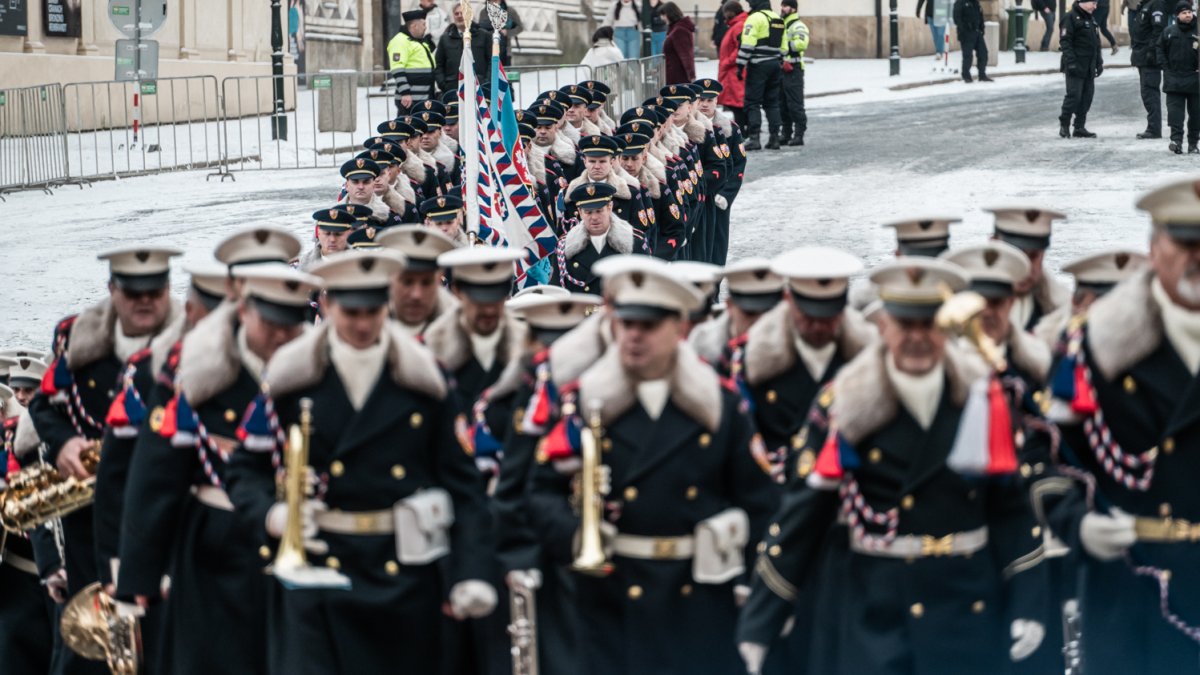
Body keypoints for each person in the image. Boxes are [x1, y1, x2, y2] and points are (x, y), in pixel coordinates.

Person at [737, 257, 1047, 675]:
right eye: (906, 324)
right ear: (884, 325)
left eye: (929, 324)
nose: (917, 337)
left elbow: (1010, 508)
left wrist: (1030, 600)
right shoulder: (844, 404)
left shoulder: (980, 399)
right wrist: (761, 622)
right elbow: (803, 517)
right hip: (877, 611)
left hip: (965, 609)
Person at [225, 249, 496, 674]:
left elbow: (463, 486)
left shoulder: (425, 380)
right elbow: (245, 471)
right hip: (320, 572)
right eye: (351, 311)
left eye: (373, 310)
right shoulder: (290, 381)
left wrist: (471, 570)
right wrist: (274, 514)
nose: (364, 324)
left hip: (405, 574)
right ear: (328, 306)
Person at [527, 260, 781, 675]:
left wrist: (755, 596)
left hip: (699, 597)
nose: (633, 335)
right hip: (611, 598)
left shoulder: (721, 405)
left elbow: (761, 503)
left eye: (648, 324)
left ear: (680, 327)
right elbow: (540, 492)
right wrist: (578, 535)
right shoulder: (583, 402)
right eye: (626, 323)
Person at [115, 265, 321, 675]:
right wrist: (137, 576)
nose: (281, 334)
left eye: (290, 321)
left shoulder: (315, 364)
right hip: (217, 540)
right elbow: (156, 473)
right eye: (270, 320)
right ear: (244, 310)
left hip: (306, 534)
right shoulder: (193, 368)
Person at [1043, 178, 1200, 673]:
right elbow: (1046, 456)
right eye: (1186, 243)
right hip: (1131, 596)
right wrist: (1077, 522)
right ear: (1155, 248)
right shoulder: (1094, 347)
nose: (1198, 256)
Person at [30, 245, 183, 675]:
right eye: (133, 292)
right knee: (92, 644)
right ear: (112, 290)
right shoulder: (81, 341)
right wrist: (61, 444)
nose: (145, 301)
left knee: (160, 634)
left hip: (162, 513)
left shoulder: (194, 347)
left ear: (169, 289)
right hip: (91, 521)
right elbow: (44, 403)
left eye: (154, 290)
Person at [1032, 249, 1149, 348]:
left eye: (1122, 301)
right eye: (1102, 301)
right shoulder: (1045, 347)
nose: (1114, 311)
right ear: (1076, 302)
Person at [987, 207, 1070, 332]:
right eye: (1017, 255)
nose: (1026, 268)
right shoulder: (965, 309)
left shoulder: (1063, 313)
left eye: (1033, 256)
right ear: (994, 245)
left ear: (1043, 255)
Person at [550, 183, 640, 295]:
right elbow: (556, 291)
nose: (594, 217)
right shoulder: (564, 246)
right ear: (580, 212)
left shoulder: (635, 241)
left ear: (609, 207)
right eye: (588, 212)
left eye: (599, 211)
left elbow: (643, 289)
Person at [376, 225, 461, 337]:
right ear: (390, 279)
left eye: (426, 283)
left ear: (440, 277)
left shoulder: (462, 331)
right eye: (407, 282)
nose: (416, 295)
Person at [737, 0, 785, 150]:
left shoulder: (754, 18)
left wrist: (740, 64)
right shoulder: (777, 18)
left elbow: (748, 43)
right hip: (775, 65)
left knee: (752, 102)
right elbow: (783, 47)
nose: (749, 5)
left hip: (758, 66)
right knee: (772, 103)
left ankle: (754, 138)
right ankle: (774, 137)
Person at [1158, 1, 1200, 154]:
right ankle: (1176, 141)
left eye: (1189, 12)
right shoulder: (1169, 32)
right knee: (1175, 115)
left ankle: (1193, 143)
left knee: (1196, 115)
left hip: (1195, 80)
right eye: (1184, 13)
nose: (1188, 15)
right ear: (1177, 15)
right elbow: (1160, 50)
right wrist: (1166, 69)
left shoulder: (1198, 31)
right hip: (1174, 80)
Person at [1059, 0, 1103, 138]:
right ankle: (1064, 125)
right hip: (1075, 65)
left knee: (1087, 98)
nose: (1095, 7)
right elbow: (1065, 42)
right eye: (1093, 3)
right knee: (1074, 96)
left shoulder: (1091, 19)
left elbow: (1096, 43)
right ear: (1083, 2)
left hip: (1089, 66)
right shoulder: (1070, 17)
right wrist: (1071, 62)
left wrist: (1099, 62)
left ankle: (1079, 127)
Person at [387, 10, 436, 116]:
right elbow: (397, 68)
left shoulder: (417, 41)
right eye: (423, 24)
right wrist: (405, 93)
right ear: (414, 26)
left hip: (424, 96)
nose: (425, 27)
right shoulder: (400, 41)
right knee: (409, 129)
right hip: (410, 99)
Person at [1130, 0, 1167, 140]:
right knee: (1147, 93)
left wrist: (1152, 51)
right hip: (1142, 56)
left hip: (1149, 58)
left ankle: (1154, 129)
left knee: (1150, 92)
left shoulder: (1156, 4)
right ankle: (1153, 127)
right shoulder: (1145, 5)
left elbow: (1158, 30)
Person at [778, 0, 808, 147]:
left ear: (793, 8)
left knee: (795, 104)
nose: (782, 8)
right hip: (780, 69)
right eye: (782, 5)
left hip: (793, 68)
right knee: (781, 103)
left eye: (785, 5)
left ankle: (799, 134)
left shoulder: (798, 25)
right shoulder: (780, 24)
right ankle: (786, 133)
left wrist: (783, 47)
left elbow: (802, 43)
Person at [718, 1, 749, 129]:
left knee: (738, 105)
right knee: (736, 105)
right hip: (731, 71)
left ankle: (743, 131)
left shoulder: (738, 26)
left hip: (734, 72)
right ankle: (743, 130)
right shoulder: (735, 25)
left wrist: (727, 61)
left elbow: (739, 48)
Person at [434, 4, 475, 94]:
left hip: (478, 90)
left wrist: (484, 81)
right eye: (456, 14)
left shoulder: (483, 36)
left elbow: (490, 63)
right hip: (452, 91)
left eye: (462, 13)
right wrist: (444, 85)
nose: (459, 16)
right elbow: (438, 65)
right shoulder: (445, 39)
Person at [953, 0, 992, 83]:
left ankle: (982, 74)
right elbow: (956, 17)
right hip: (966, 33)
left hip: (977, 32)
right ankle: (966, 75)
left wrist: (982, 27)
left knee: (983, 53)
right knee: (967, 56)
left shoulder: (976, 2)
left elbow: (980, 15)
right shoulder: (960, 2)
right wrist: (963, 29)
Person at [661, 2, 696, 84]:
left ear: (669, 14)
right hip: (675, 76)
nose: (662, 18)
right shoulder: (675, 29)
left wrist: (691, 75)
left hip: (678, 78)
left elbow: (686, 54)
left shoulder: (679, 31)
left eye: (663, 15)